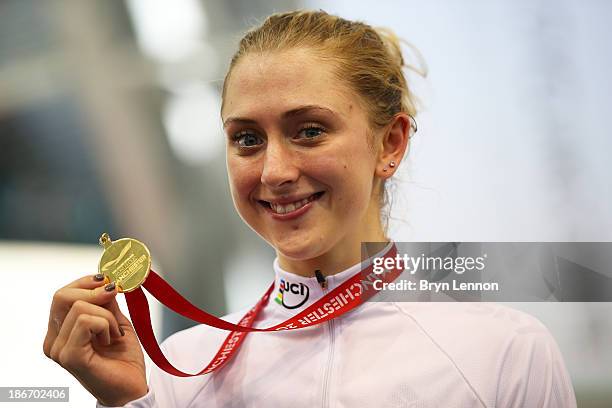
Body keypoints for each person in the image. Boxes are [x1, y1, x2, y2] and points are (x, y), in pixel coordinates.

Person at [43, 10, 577, 407]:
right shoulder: (178, 367)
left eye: (310, 131)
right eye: (247, 138)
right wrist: (129, 402)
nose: (274, 170)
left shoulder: (504, 351)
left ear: (389, 144)